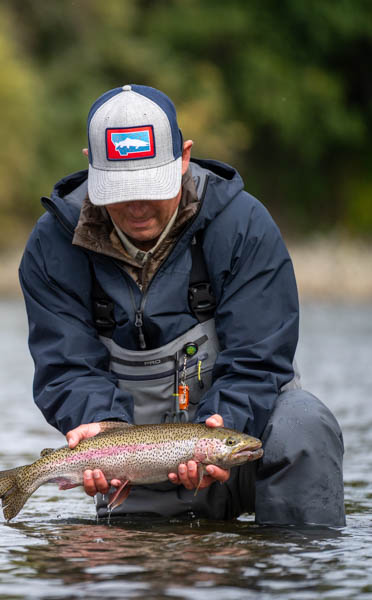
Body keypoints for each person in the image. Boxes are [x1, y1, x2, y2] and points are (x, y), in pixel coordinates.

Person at [19, 84, 345, 526]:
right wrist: (96, 423)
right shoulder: (52, 245)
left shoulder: (244, 226)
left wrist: (218, 425)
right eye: (119, 189)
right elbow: (66, 367)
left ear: (185, 158)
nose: (137, 206)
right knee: (131, 570)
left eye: (150, 185)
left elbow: (259, 360)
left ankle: (291, 572)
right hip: (136, 465)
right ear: (91, 167)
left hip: (240, 438)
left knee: (305, 424)